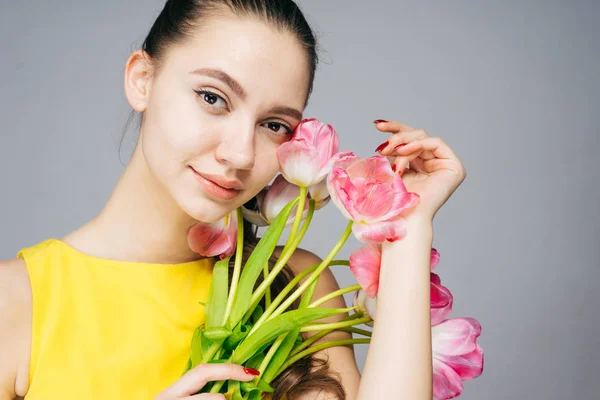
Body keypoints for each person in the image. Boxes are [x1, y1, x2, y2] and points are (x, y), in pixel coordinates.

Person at [0, 1, 466, 399]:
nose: (241, 154)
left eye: (274, 125)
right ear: (142, 79)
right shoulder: (15, 302)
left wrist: (406, 222)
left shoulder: (296, 286)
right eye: (212, 97)